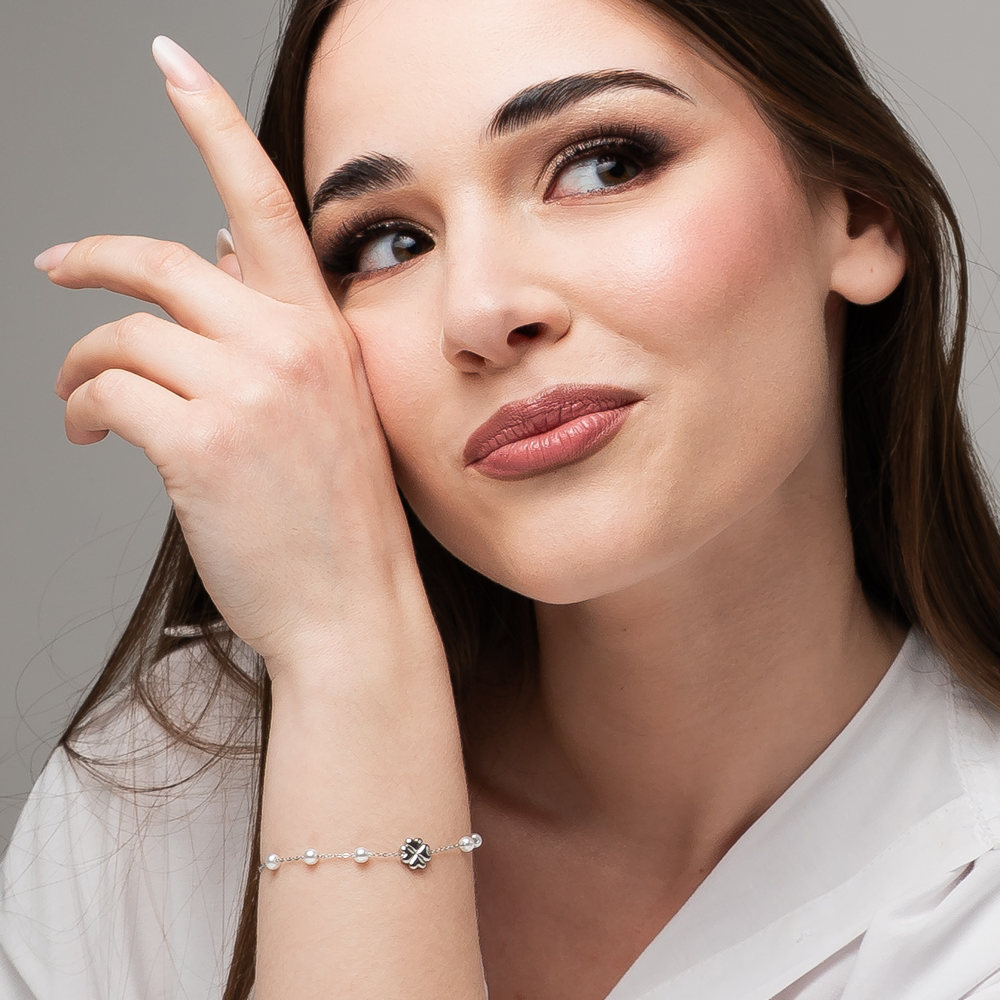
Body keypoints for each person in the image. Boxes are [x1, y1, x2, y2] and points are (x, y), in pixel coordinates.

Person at [3, 0, 1000, 997]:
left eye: (604, 163)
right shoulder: (171, 779)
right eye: (389, 243)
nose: (480, 312)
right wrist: (351, 664)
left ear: (859, 216)